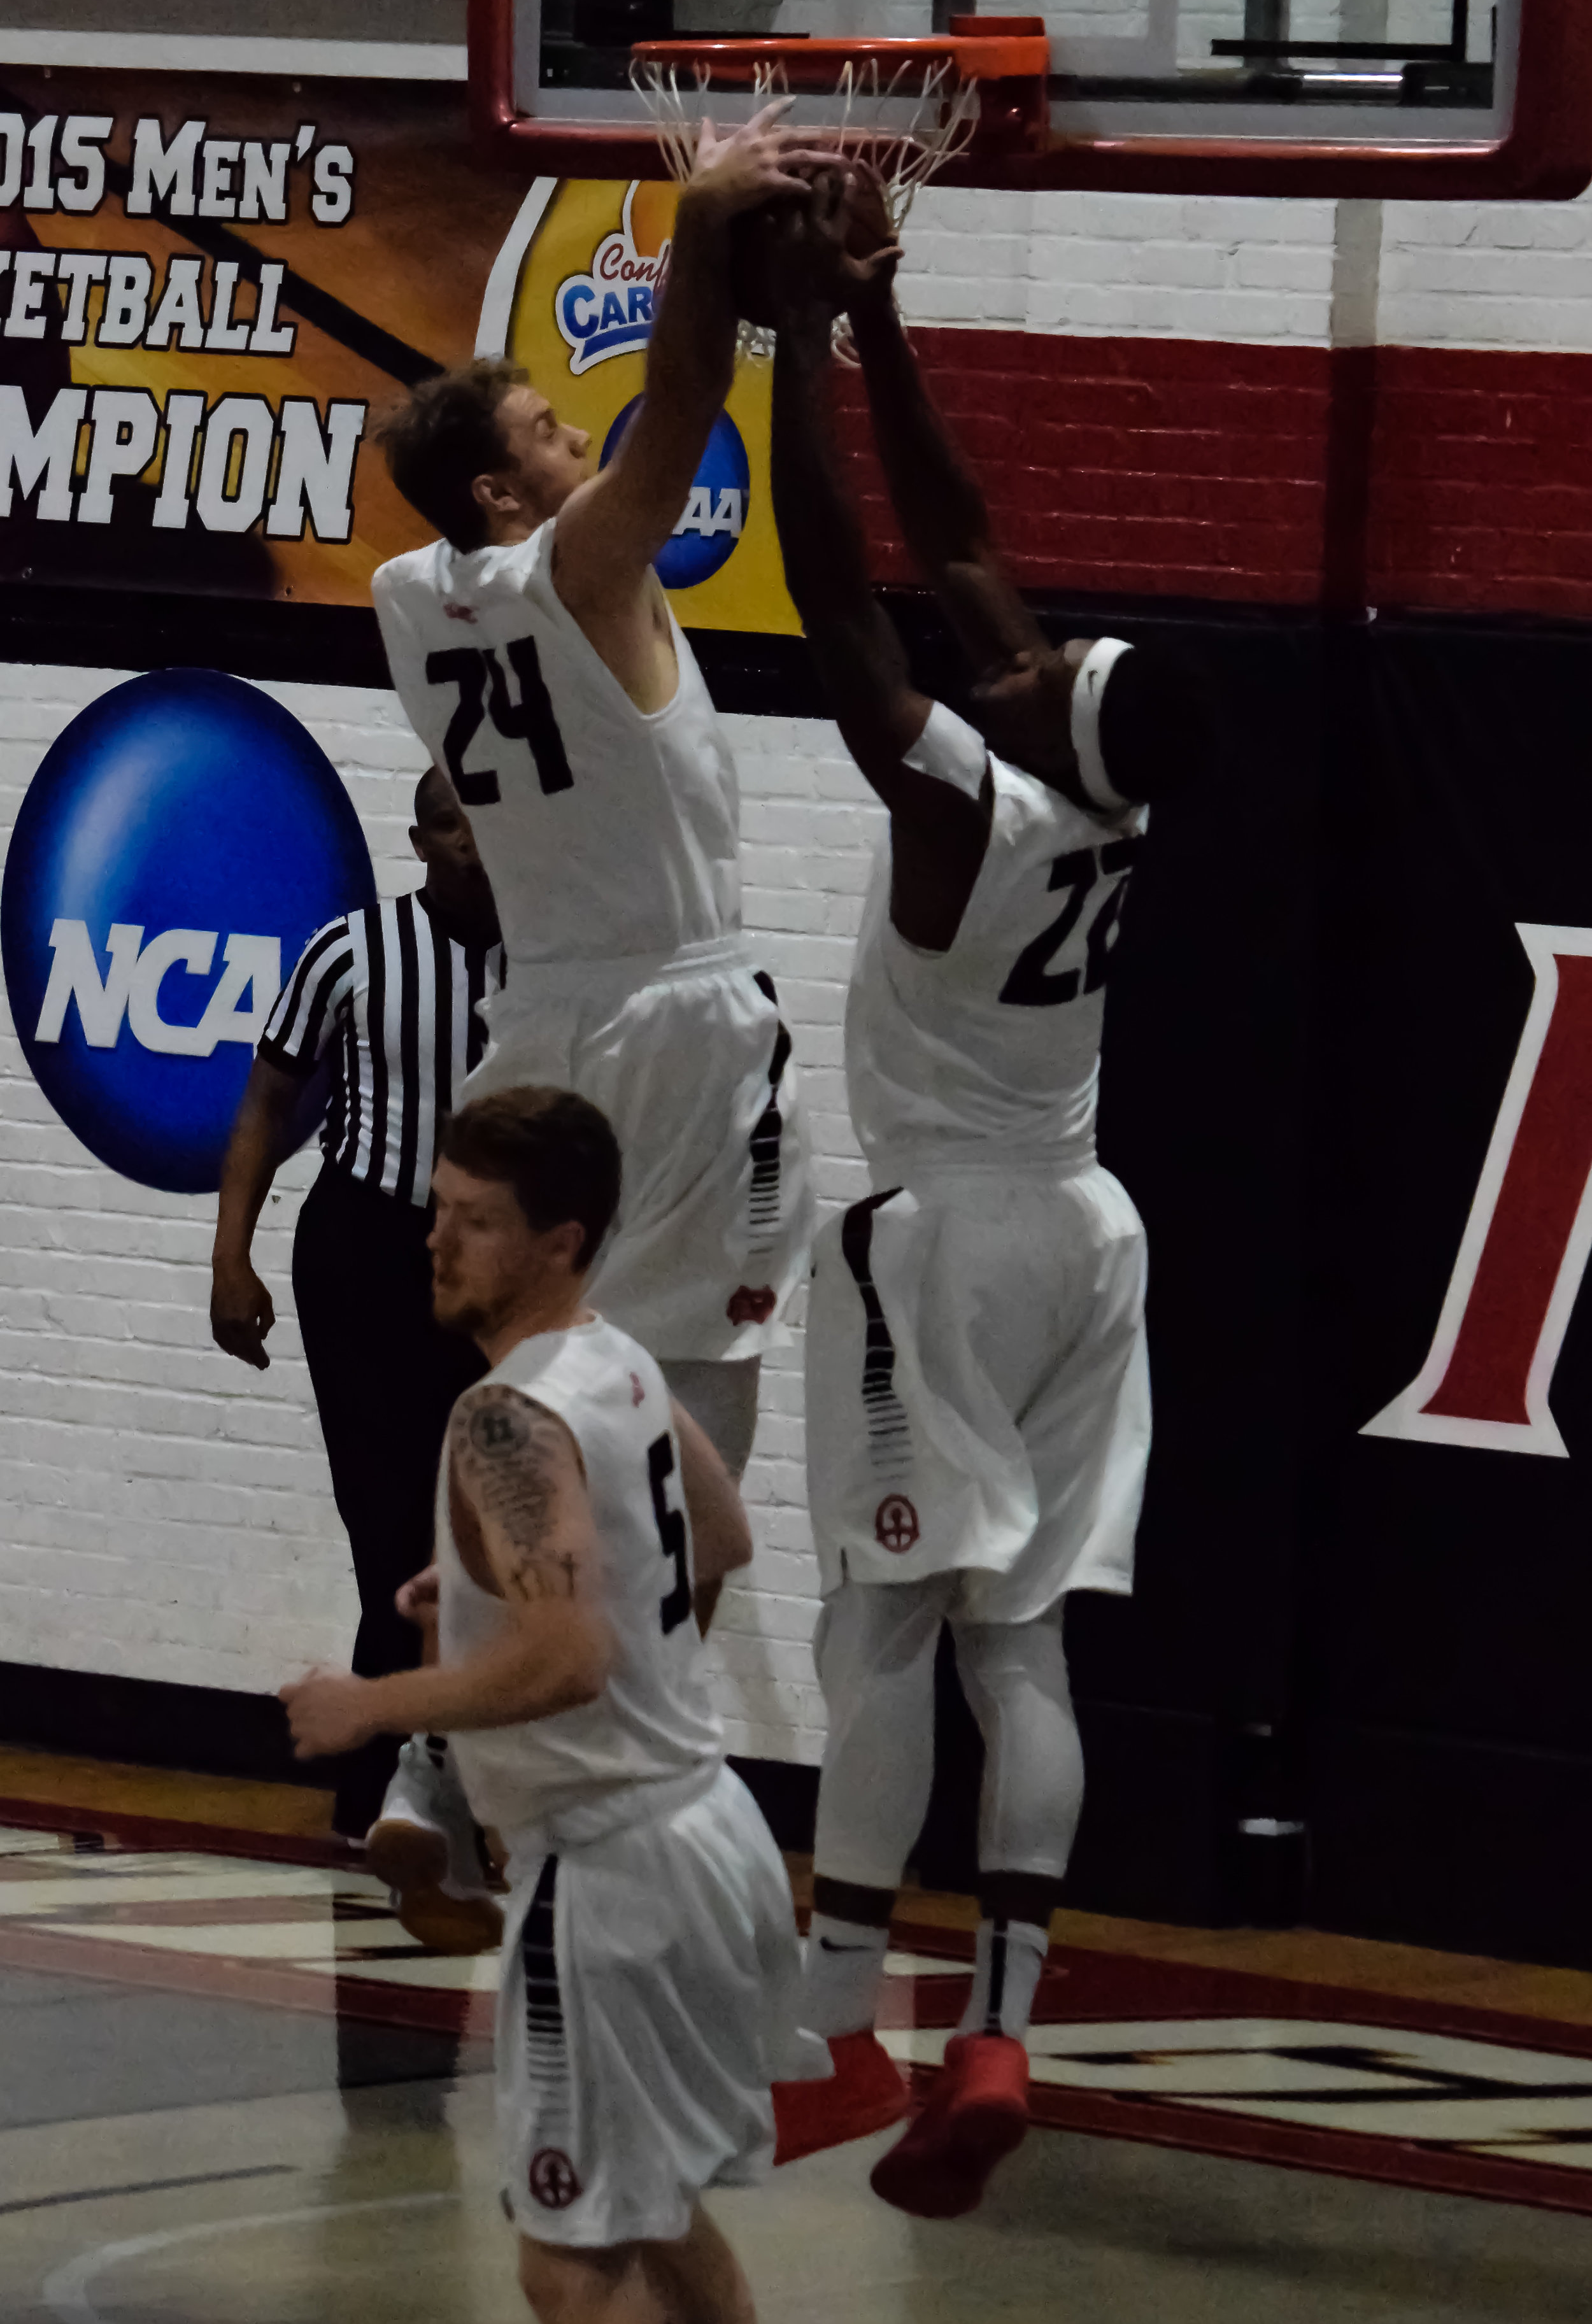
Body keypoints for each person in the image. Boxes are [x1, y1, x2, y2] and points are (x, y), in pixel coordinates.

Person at [762, 179, 1208, 2218]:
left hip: (936, 1236)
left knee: (878, 1628)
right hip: (1083, 1229)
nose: (1016, 648)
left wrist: (783, 348)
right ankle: (1001, 2016)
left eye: (1041, 661)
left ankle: (831, 2024)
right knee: (1020, 1647)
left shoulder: (959, 796)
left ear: (1046, 715)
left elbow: (845, 583)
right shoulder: (1093, 788)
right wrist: (884, 320)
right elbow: (959, 547)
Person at [281, 1086, 819, 2324]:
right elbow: (721, 1532)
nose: (435, 1239)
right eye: (440, 1211)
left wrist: (370, 1704)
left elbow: (567, 1661)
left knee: (564, 2257)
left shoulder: (503, 1416)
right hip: (709, 1834)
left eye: (475, 1220)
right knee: (656, 2211)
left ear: (560, 1241)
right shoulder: (614, 1358)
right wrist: (484, 1597)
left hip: (608, 1875)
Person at [368, 106, 828, 1490]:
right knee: (697, 1379)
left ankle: (525, 1634)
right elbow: (679, 412)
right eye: (552, 433)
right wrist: (698, 225)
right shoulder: (575, 569)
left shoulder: (404, 599)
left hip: (537, 1016)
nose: (584, 438)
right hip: (670, 1019)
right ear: (505, 496)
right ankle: (640, 1655)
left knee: (534, 1359)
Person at [211, 767, 505, 1913]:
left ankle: (397, 1776)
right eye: (454, 822)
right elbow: (261, 1107)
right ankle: (391, 1784)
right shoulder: (352, 949)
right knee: (386, 1522)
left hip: (484, 1263)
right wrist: (229, 1259)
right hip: (364, 1247)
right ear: (421, 837)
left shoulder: (547, 961)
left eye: (492, 821)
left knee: (464, 1530)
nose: (476, 844)